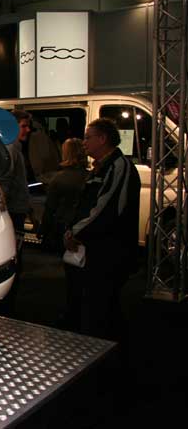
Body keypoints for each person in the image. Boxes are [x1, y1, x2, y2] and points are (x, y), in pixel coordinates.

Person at [64, 118, 140, 339]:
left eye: (88, 137)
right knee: (98, 305)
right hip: (95, 249)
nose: (84, 142)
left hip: (110, 252)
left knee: (101, 308)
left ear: (103, 139)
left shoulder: (118, 167)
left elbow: (105, 207)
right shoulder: (101, 167)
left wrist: (75, 232)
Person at [0, 109, 32, 315]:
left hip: (16, 211)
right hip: (13, 214)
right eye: (23, 126)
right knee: (14, 260)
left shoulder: (14, 147)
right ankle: (7, 308)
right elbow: (4, 184)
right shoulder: (10, 147)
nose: (28, 130)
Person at [39, 138, 88, 254]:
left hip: (62, 227)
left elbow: (50, 207)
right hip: (82, 226)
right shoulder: (90, 177)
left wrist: (43, 229)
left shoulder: (59, 178)